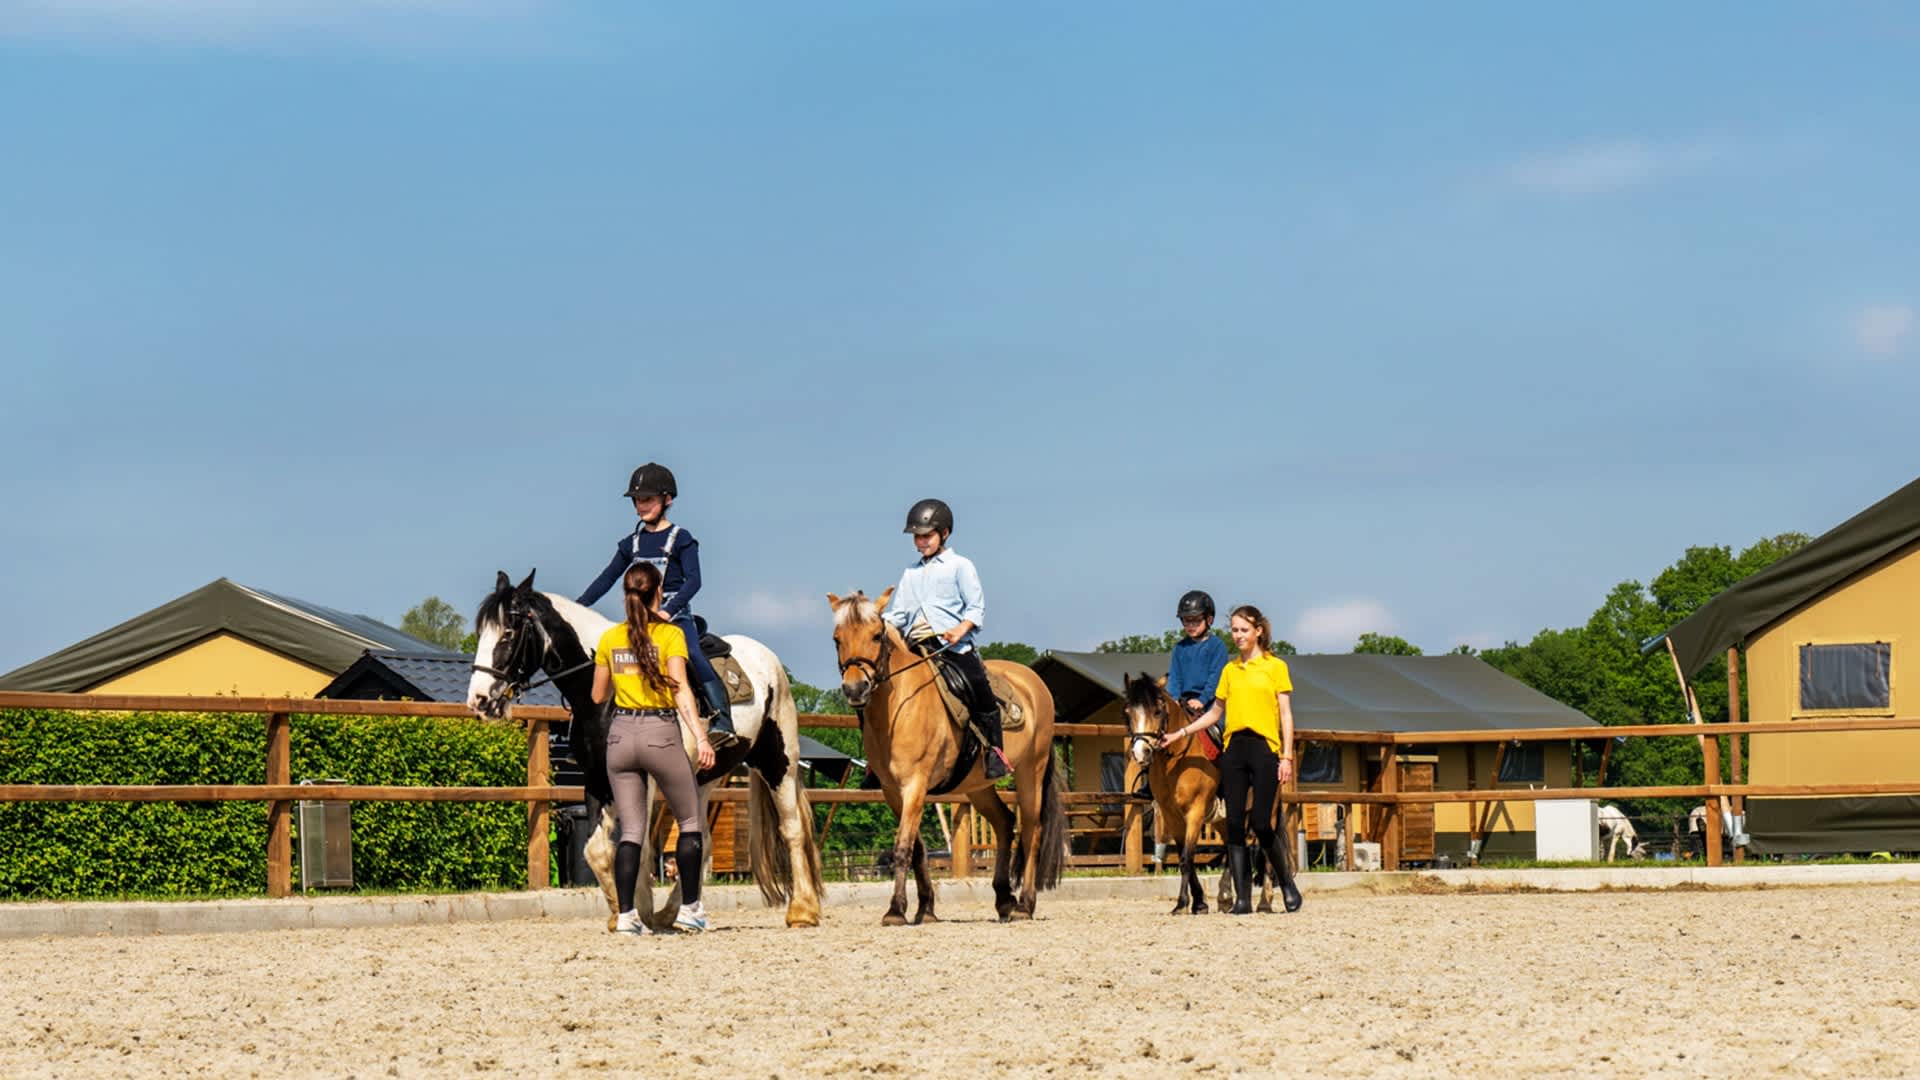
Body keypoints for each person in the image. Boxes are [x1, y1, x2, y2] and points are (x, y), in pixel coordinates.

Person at [591, 560, 718, 935]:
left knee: (630, 831)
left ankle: (628, 916)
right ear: (659, 592)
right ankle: (691, 909)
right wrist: (703, 736)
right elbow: (680, 690)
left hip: (620, 737)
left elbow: (598, 694)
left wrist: (624, 677)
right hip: (660, 732)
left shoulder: (610, 638)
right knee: (690, 821)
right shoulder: (670, 636)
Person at [579, 462, 740, 749]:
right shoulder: (631, 543)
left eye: (647, 499)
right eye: (637, 501)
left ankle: (721, 719)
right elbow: (606, 579)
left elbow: (694, 582)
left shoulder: (682, 539)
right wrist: (577, 607)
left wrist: (666, 611)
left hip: (675, 616)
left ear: (667, 500)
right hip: (639, 619)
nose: (641, 506)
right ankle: (586, 735)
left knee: (692, 652)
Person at [1161, 604, 1303, 915]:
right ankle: (1242, 899)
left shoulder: (1275, 667)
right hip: (1234, 749)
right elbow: (1214, 713)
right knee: (1235, 824)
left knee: (1263, 823)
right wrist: (1180, 732)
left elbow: (1286, 715)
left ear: (1258, 632)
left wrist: (1287, 756)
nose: (1237, 636)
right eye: (1235, 630)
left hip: (1265, 748)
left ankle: (1287, 883)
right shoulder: (1230, 670)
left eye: (1243, 630)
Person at [882, 498, 1009, 780]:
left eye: (927, 535)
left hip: (951, 646)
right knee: (877, 690)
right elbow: (899, 613)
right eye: (917, 537)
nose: (921, 542)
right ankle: (877, 760)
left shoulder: (960, 566)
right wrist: (877, 624)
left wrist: (960, 630)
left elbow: (976, 607)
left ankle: (995, 752)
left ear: (945, 533)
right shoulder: (910, 573)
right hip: (915, 647)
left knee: (979, 687)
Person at [1131, 589, 1230, 803]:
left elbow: (1216, 677)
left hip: (1213, 704)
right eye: (1186, 621)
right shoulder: (1179, 648)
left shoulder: (1217, 647)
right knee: (1160, 733)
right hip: (1184, 703)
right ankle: (1152, 782)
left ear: (1209, 619)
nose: (1191, 625)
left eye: (1195, 620)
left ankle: (1225, 783)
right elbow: (1174, 676)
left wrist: (1203, 699)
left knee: (1222, 735)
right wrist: (1173, 698)